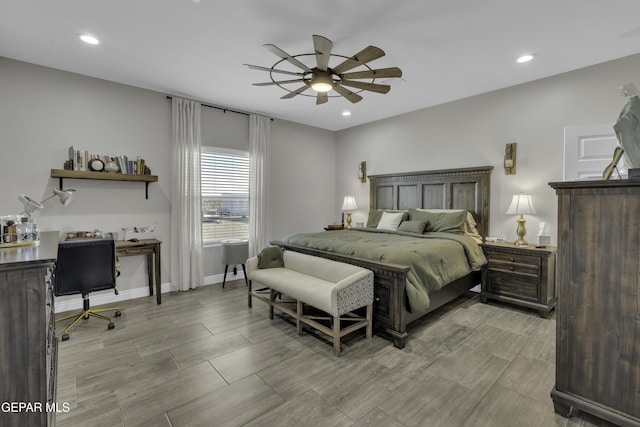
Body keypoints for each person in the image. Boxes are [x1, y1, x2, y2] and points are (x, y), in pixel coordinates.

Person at [614, 82, 640, 169]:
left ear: (627, 90)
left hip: (633, 133)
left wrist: (620, 123)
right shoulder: (629, 102)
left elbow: (631, 115)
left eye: (622, 91)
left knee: (632, 150)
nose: (621, 93)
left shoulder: (634, 101)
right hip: (628, 130)